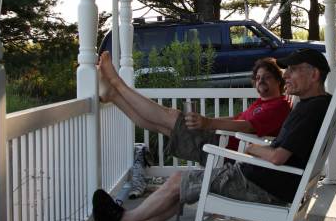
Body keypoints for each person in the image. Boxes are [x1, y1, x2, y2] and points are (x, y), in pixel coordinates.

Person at [93, 48, 332, 221]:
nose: (287, 74)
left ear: (313, 75)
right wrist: (257, 150)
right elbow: (280, 150)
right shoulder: (313, 106)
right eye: (286, 70)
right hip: (262, 178)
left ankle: (123, 219)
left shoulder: (309, 110)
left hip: (261, 184)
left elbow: (278, 156)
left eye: (293, 69)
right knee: (183, 182)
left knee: (178, 180)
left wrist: (252, 149)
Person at [96, 51, 291, 161]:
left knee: (170, 115)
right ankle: (113, 95)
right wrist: (207, 121)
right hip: (220, 142)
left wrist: (209, 123)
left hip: (223, 149)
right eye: (257, 78)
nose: (260, 81)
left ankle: (116, 82)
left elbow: (247, 127)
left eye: (266, 77)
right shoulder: (261, 103)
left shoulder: (279, 106)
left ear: (278, 81)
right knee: (160, 125)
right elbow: (236, 120)